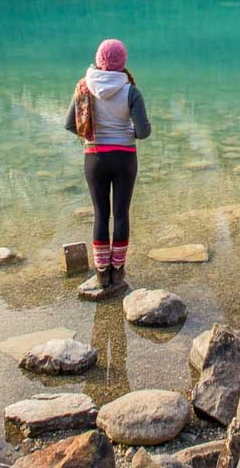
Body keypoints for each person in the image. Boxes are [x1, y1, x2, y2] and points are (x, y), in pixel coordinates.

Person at [64, 38, 151, 290]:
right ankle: (118, 272)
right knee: (121, 214)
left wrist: (93, 134)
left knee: (101, 214)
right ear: (122, 61)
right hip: (124, 158)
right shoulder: (130, 91)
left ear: (99, 59)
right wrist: (127, 132)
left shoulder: (83, 87)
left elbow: (70, 124)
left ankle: (102, 274)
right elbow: (144, 132)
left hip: (94, 158)